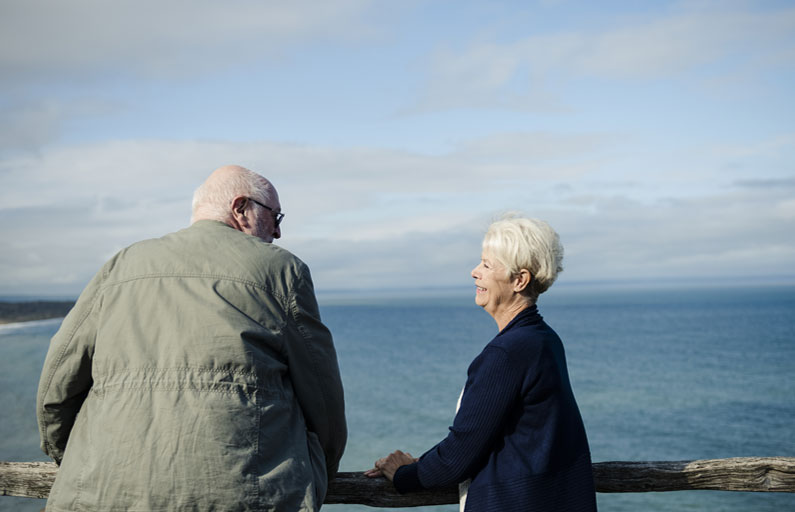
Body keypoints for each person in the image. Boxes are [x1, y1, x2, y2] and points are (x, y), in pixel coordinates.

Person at [37, 165, 346, 511]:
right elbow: (322, 395)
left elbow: (58, 381)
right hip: (241, 496)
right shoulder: (282, 270)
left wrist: (76, 462)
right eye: (275, 216)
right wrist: (322, 471)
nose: (276, 231)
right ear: (241, 208)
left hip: (101, 493)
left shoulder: (121, 264)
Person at [365, 215, 596, 512]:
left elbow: (456, 459)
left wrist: (402, 475)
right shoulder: (544, 339)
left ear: (519, 280)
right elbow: (487, 436)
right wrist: (424, 460)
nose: (475, 272)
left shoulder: (507, 353)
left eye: (487, 265)